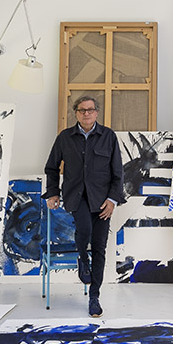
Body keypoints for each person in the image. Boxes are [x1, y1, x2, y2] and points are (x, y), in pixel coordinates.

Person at [43, 95, 125, 317]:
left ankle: (94, 296)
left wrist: (113, 200)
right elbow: (51, 168)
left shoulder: (108, 136)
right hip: (76, 197)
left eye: (90, 110)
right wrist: (53, 193)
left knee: (99, 247)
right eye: (82, 110)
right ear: (76, 113)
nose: (86, 113)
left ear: (97, 112)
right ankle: (82, 257)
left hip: (103, 201)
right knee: (84, 230)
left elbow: (118, 173)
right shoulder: (65, 137)